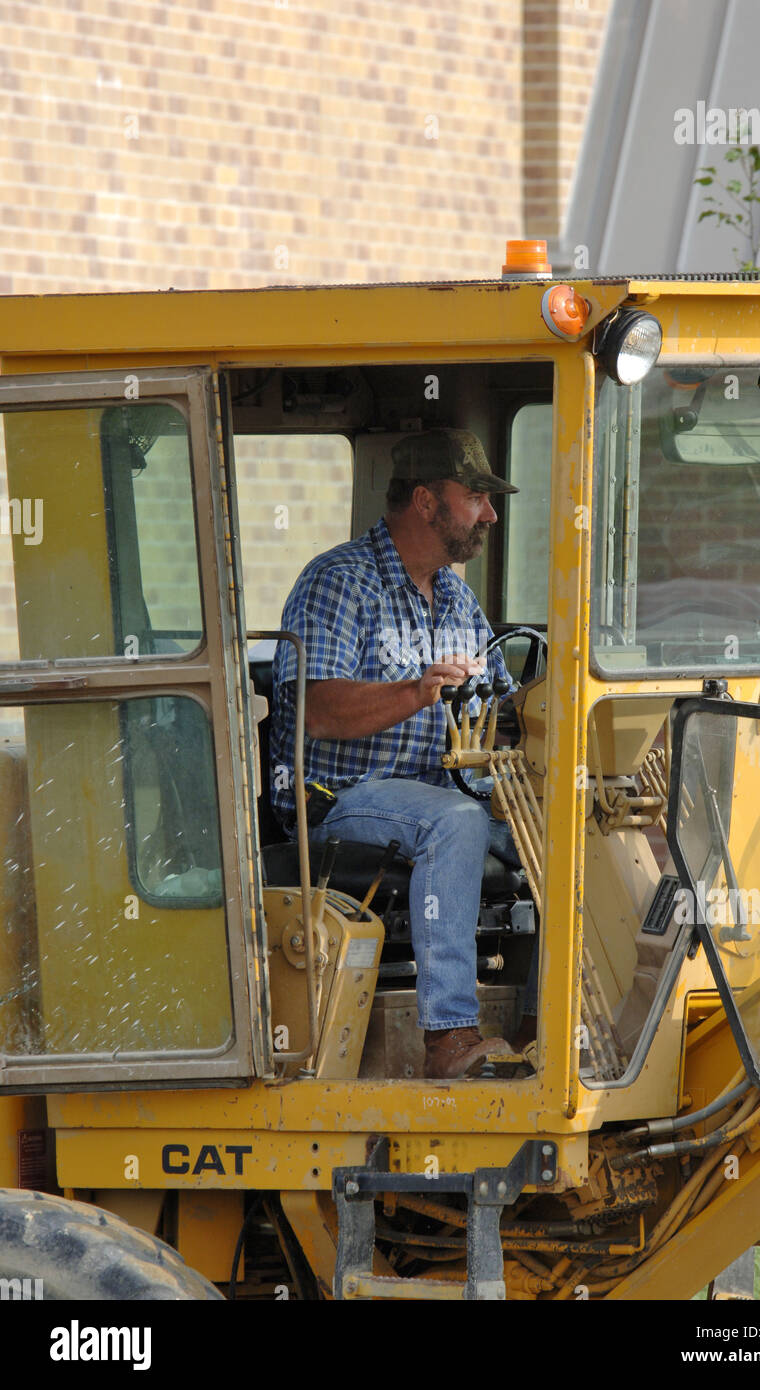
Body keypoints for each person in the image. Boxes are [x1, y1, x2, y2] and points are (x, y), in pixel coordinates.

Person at [270, 428, 523, 1078]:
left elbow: (502, 716)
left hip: (437, 791)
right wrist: (417, 691)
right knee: (455, 822)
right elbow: (319, 712)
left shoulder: (458, 600)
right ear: (426, 501)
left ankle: (552, 1029)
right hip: (338, 801)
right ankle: (449, 1039)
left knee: (570, 828)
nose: (490, 515)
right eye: (476, 498)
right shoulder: (339, 582)